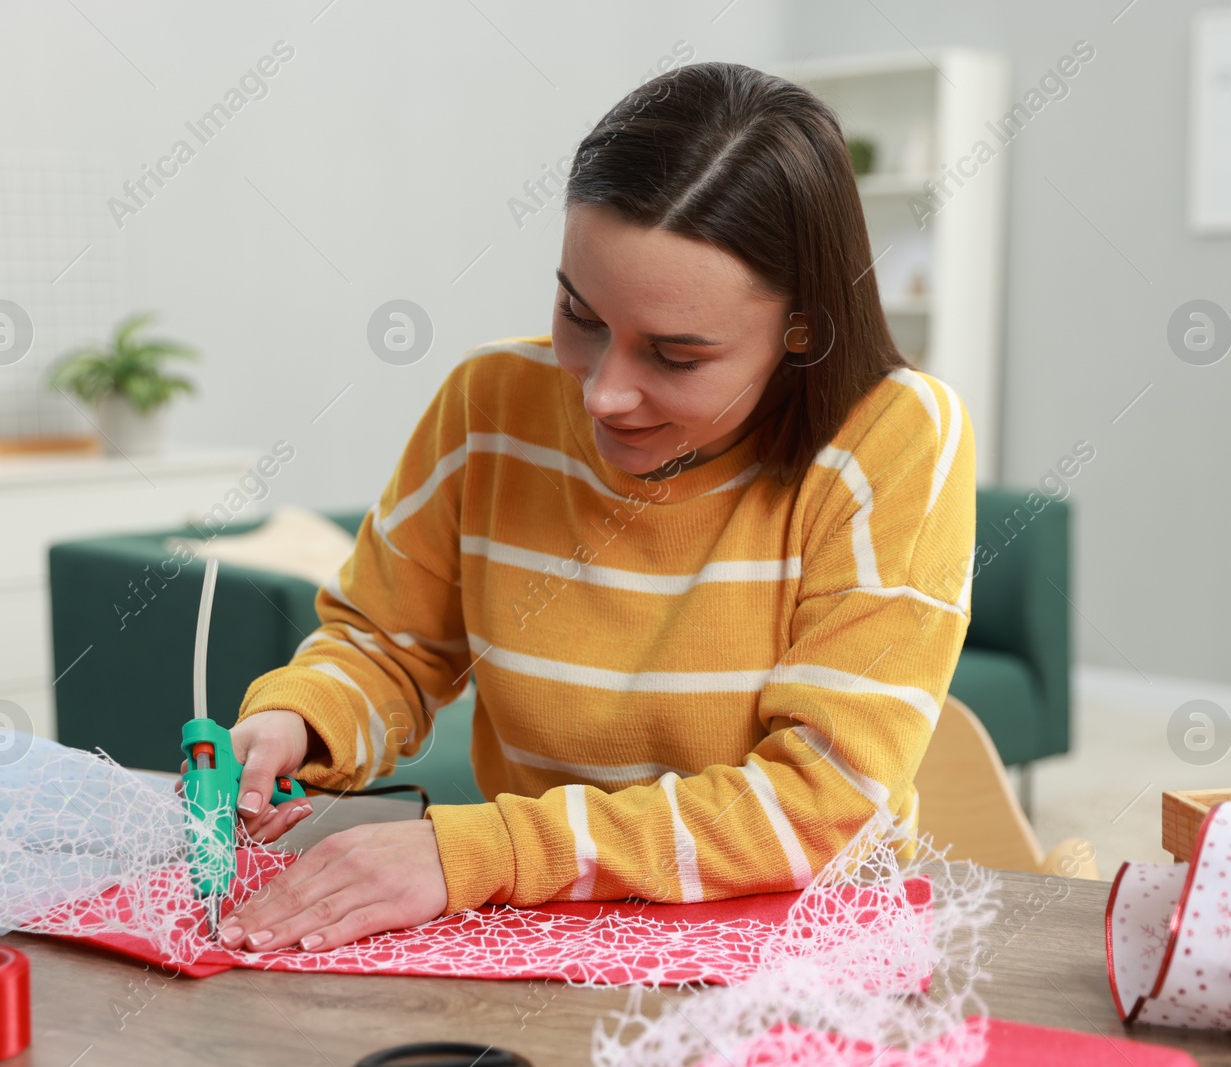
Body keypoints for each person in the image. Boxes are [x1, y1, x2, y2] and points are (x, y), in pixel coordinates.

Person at [211, 60, 976, 955]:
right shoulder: (488, 400)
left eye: (676, 356)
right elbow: (390, 642)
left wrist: (482, 849)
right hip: (537, 925)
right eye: (580, 314)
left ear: (801, 331)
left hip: (797, 944)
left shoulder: (893, 435)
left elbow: (824, 803)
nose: (605, 394)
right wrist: (298, 719)